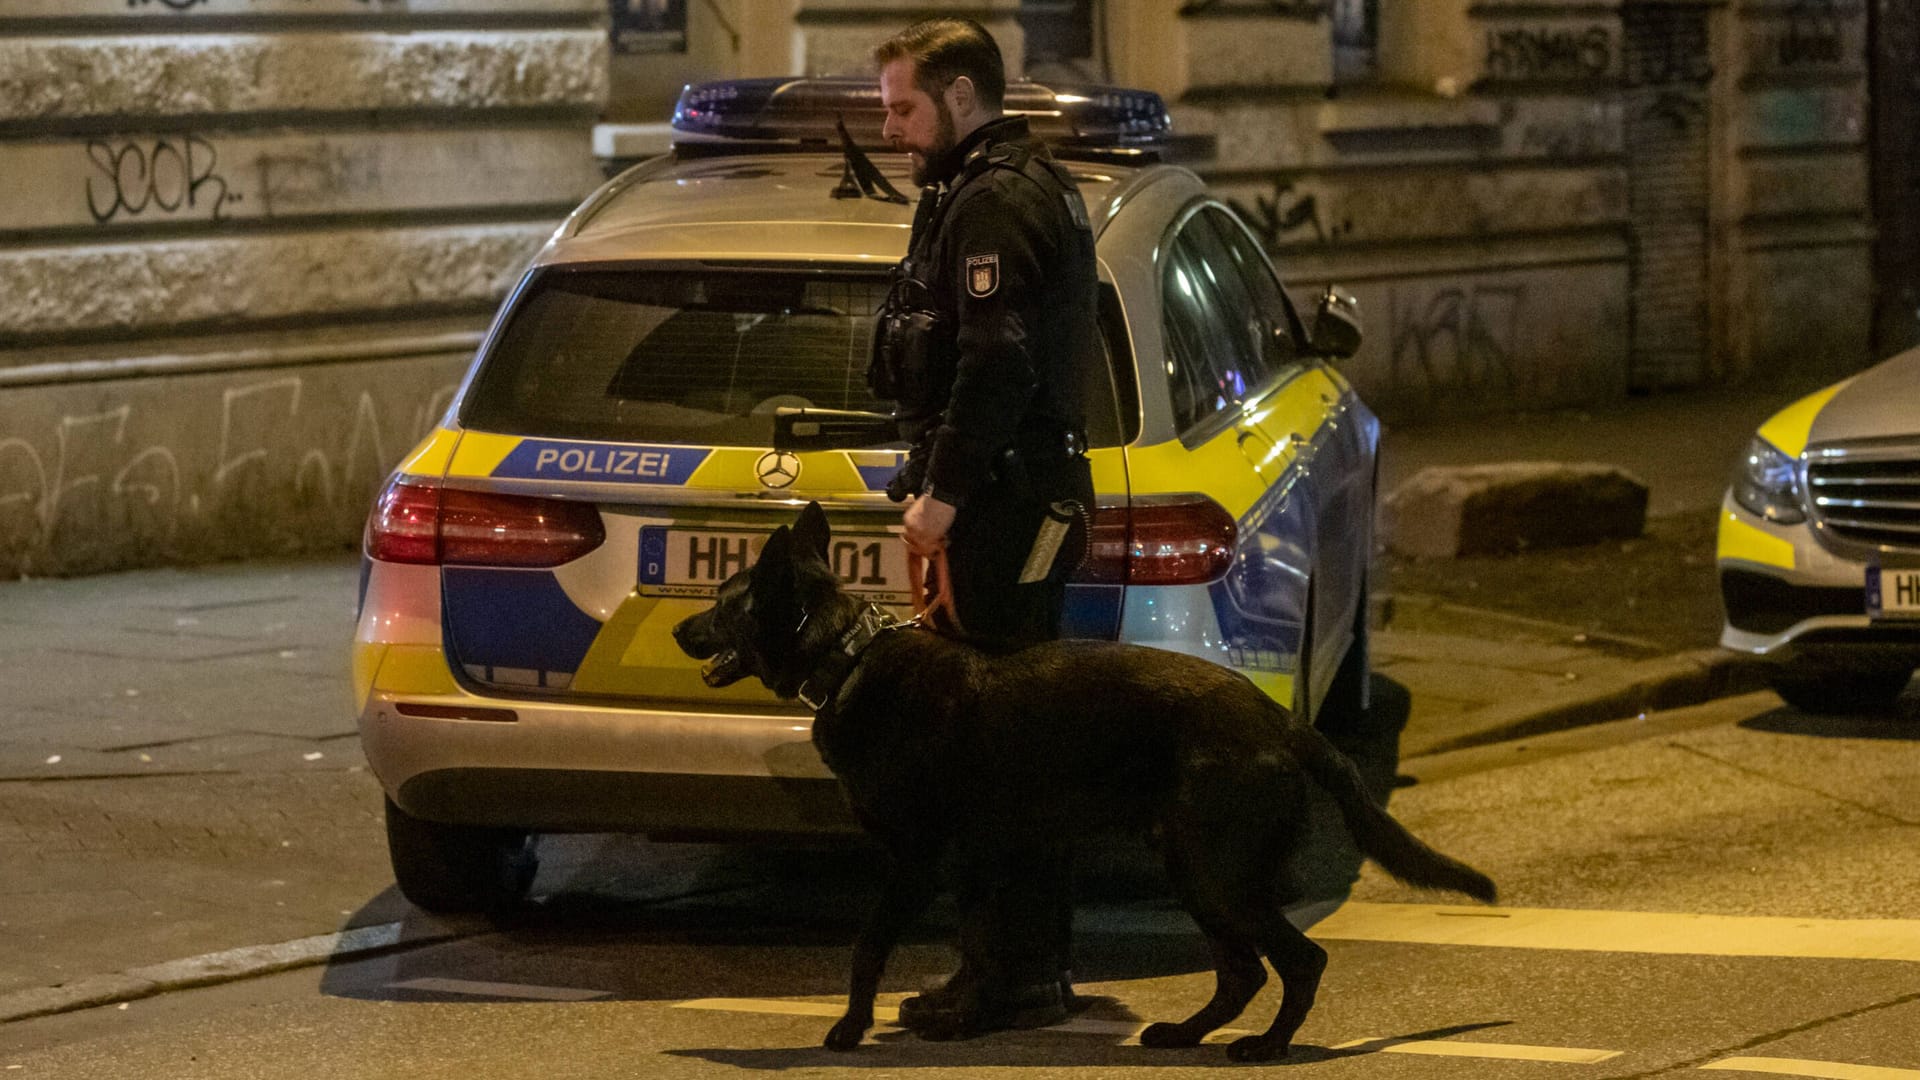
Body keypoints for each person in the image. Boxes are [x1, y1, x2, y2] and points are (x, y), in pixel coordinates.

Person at [868, 16, 1101, 1035]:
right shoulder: (989, 188)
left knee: (992, 753)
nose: (892, 128)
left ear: (961, 98)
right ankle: (1017, 969)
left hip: (1001, 513)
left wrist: (943, 496)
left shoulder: (996, 201)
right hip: (1004, 501)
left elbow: (996, 361)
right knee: (1007, 748)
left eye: (904, 107)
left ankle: (1007, 978)